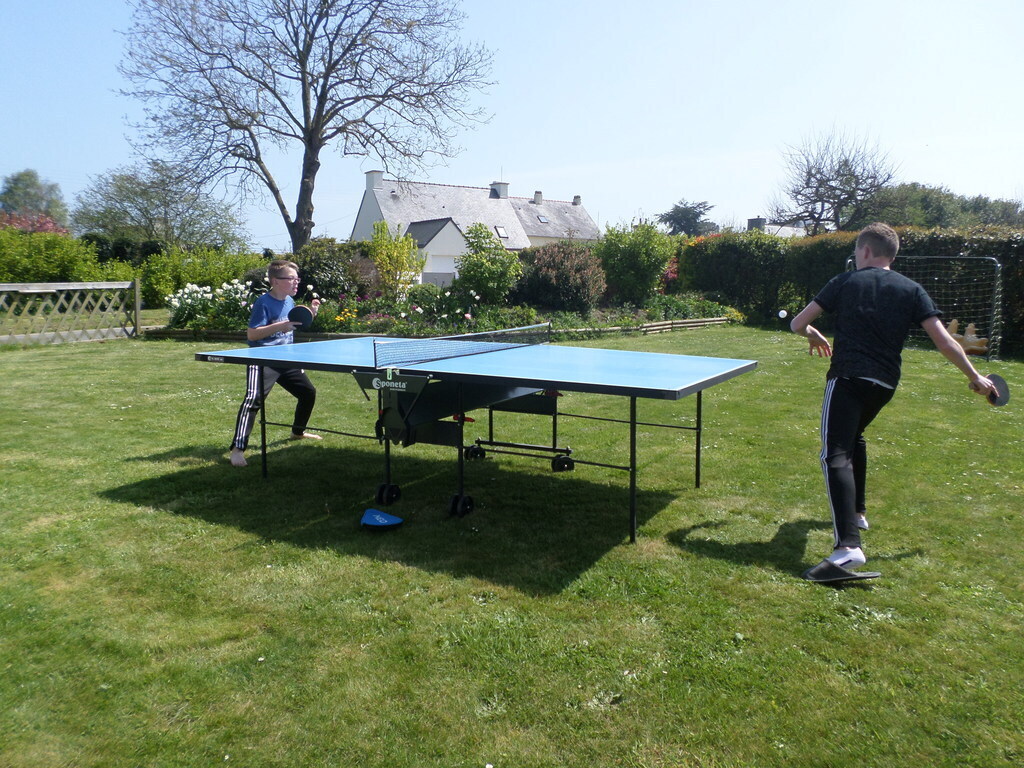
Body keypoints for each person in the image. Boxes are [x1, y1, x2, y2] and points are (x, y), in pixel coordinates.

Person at [789, 222, 999, 573]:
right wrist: (974, 376)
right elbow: (944, 341)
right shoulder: (912, 289)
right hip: (884, 385)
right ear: (892, 255)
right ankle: (858, 512)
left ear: (865, 251)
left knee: (834, 455)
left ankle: (848, 547)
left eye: (857, 251)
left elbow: (797, 324)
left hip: (848, 378)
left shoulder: (844, 282)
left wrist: (812, 333)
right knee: (855, 438)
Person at [229, 260, 322, 467]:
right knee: (252, 401)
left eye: (297, 279)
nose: (296, 282)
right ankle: (237, 450)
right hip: (262, 359)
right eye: (291, 278)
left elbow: (293, 325)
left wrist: (311, 312)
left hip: (285, 358)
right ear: (275, 281)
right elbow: (252, 334)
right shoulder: (263, 302)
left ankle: (297, 432)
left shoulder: (290, 301)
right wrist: (281, 325)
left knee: (308, 393)